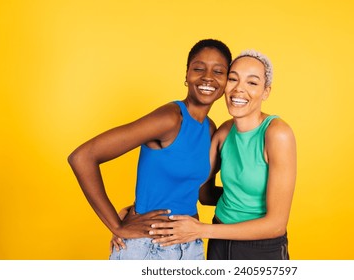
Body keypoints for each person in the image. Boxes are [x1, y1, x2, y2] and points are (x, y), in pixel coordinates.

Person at [67, 39, 232, 260]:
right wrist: (117, 226)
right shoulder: (170, 118)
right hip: (150, 246)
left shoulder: (210, 129)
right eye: (199, 69)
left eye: (218, 71)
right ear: (187, 75)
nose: (207, 78)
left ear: (226, 81)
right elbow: (82, 157)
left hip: (190, 244)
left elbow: (204, 194)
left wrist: (262, 196)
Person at [147, 50, 297, 260]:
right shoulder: (224, 132)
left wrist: (202, 230)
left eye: (252, 83)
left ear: (266, 92)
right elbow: (198, 189)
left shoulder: (277, 133)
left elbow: (276, 225)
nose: (239, 89)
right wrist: (138, 210)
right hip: (219, 244)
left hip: (261, 250)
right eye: (233, 79)